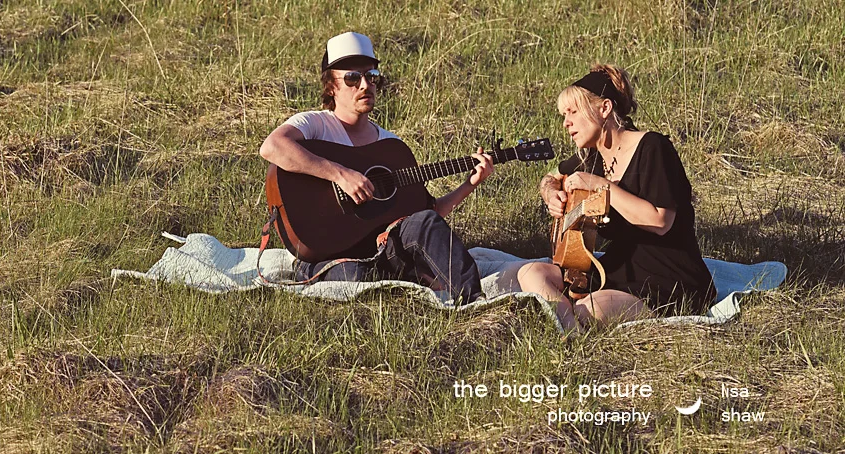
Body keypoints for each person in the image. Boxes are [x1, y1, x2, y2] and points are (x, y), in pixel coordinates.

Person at [258, 32, 493, 304]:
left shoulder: (392, 147)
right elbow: (272, 146)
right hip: (324, 254)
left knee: (424, 224)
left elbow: (427, 215)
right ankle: (413, 278)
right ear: (331, 86)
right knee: (358, 279)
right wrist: (340, 175)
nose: (364, 85)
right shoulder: (315, 125)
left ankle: (473, 302)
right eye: (352, 78)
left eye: (371, 76)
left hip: (380, 250)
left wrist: (469, 185)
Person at [518, 64, 715, 330]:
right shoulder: (592, 157)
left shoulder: (653, 147)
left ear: (604, 108)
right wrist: (551, 193)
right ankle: (570, 332)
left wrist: (602, 186)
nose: (566, 123)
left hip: (668, 276)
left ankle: (567, 326)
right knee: (531, 272)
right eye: (564, 115)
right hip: (617, 266)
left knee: (590, 309)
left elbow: (660, 221)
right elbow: (550, 177)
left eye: (573, 112)